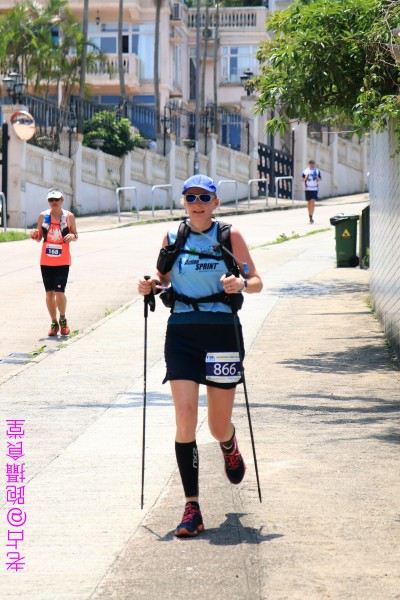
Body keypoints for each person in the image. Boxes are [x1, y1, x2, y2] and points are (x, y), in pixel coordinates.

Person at [138, 174, 263, 538]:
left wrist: (241, 283)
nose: (197, 203)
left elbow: (256, 281)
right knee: (185, 418)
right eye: (190, 197)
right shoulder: (173, 237)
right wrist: (149, 284)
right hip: (182, 334)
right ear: (183, 202)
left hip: (221, 333)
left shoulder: (229, 236)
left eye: (204, 197)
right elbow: (161, 278)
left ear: (215, 203)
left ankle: (229, 444)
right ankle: (191, 507)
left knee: (216, 425)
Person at [30, 188, 78, 336]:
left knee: (60, 293)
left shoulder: (69, 217)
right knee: (49, 294)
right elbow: (39, 238)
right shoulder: (43, 216)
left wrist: (72, 236)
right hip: (46, 261)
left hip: (62, 260)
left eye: (56, 199)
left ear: (62, 200)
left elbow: (75, 234)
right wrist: (34, 235)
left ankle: (63, 320)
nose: (54, 202)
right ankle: (53, 323)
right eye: (51, 200)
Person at [301, 159, 322, 224]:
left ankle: (311, 216)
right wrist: (306, 178)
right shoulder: (306, 171)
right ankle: (309, 216)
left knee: (312, 202)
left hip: (314, 189)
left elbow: (320, 179)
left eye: (313, 164)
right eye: (310, 164)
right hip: (308, 189)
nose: (312, 165)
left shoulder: (317, 171)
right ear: (309, 164)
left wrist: (318, 178)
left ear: (314, 164)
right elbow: (302, 179)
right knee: (309, 203)